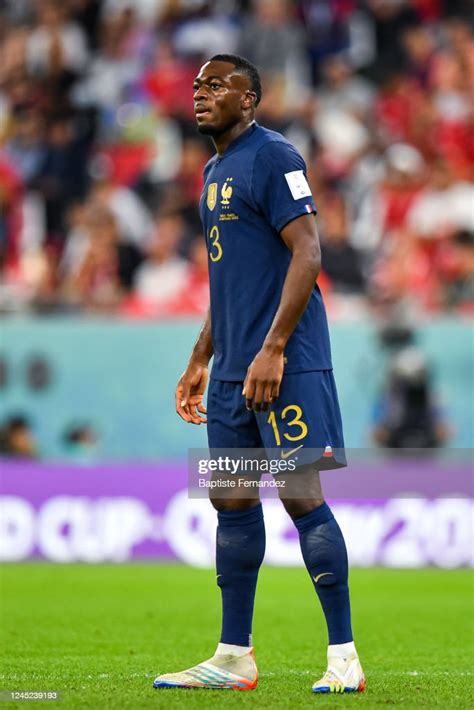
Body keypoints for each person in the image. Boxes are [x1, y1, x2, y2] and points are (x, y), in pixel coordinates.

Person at [153, 54, 365, 695]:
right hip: (231, 374)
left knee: (302, 498)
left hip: (287, 363)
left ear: (251, 100)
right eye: (196, 85)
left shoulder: (274, 156)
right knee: (231, 501)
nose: (201, 94)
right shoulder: (213, 170)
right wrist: (200, 357)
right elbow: (229, 283)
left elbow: (309, 250)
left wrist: (272, 349)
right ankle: (234, 655)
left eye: (218, 85)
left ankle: (344, 657)